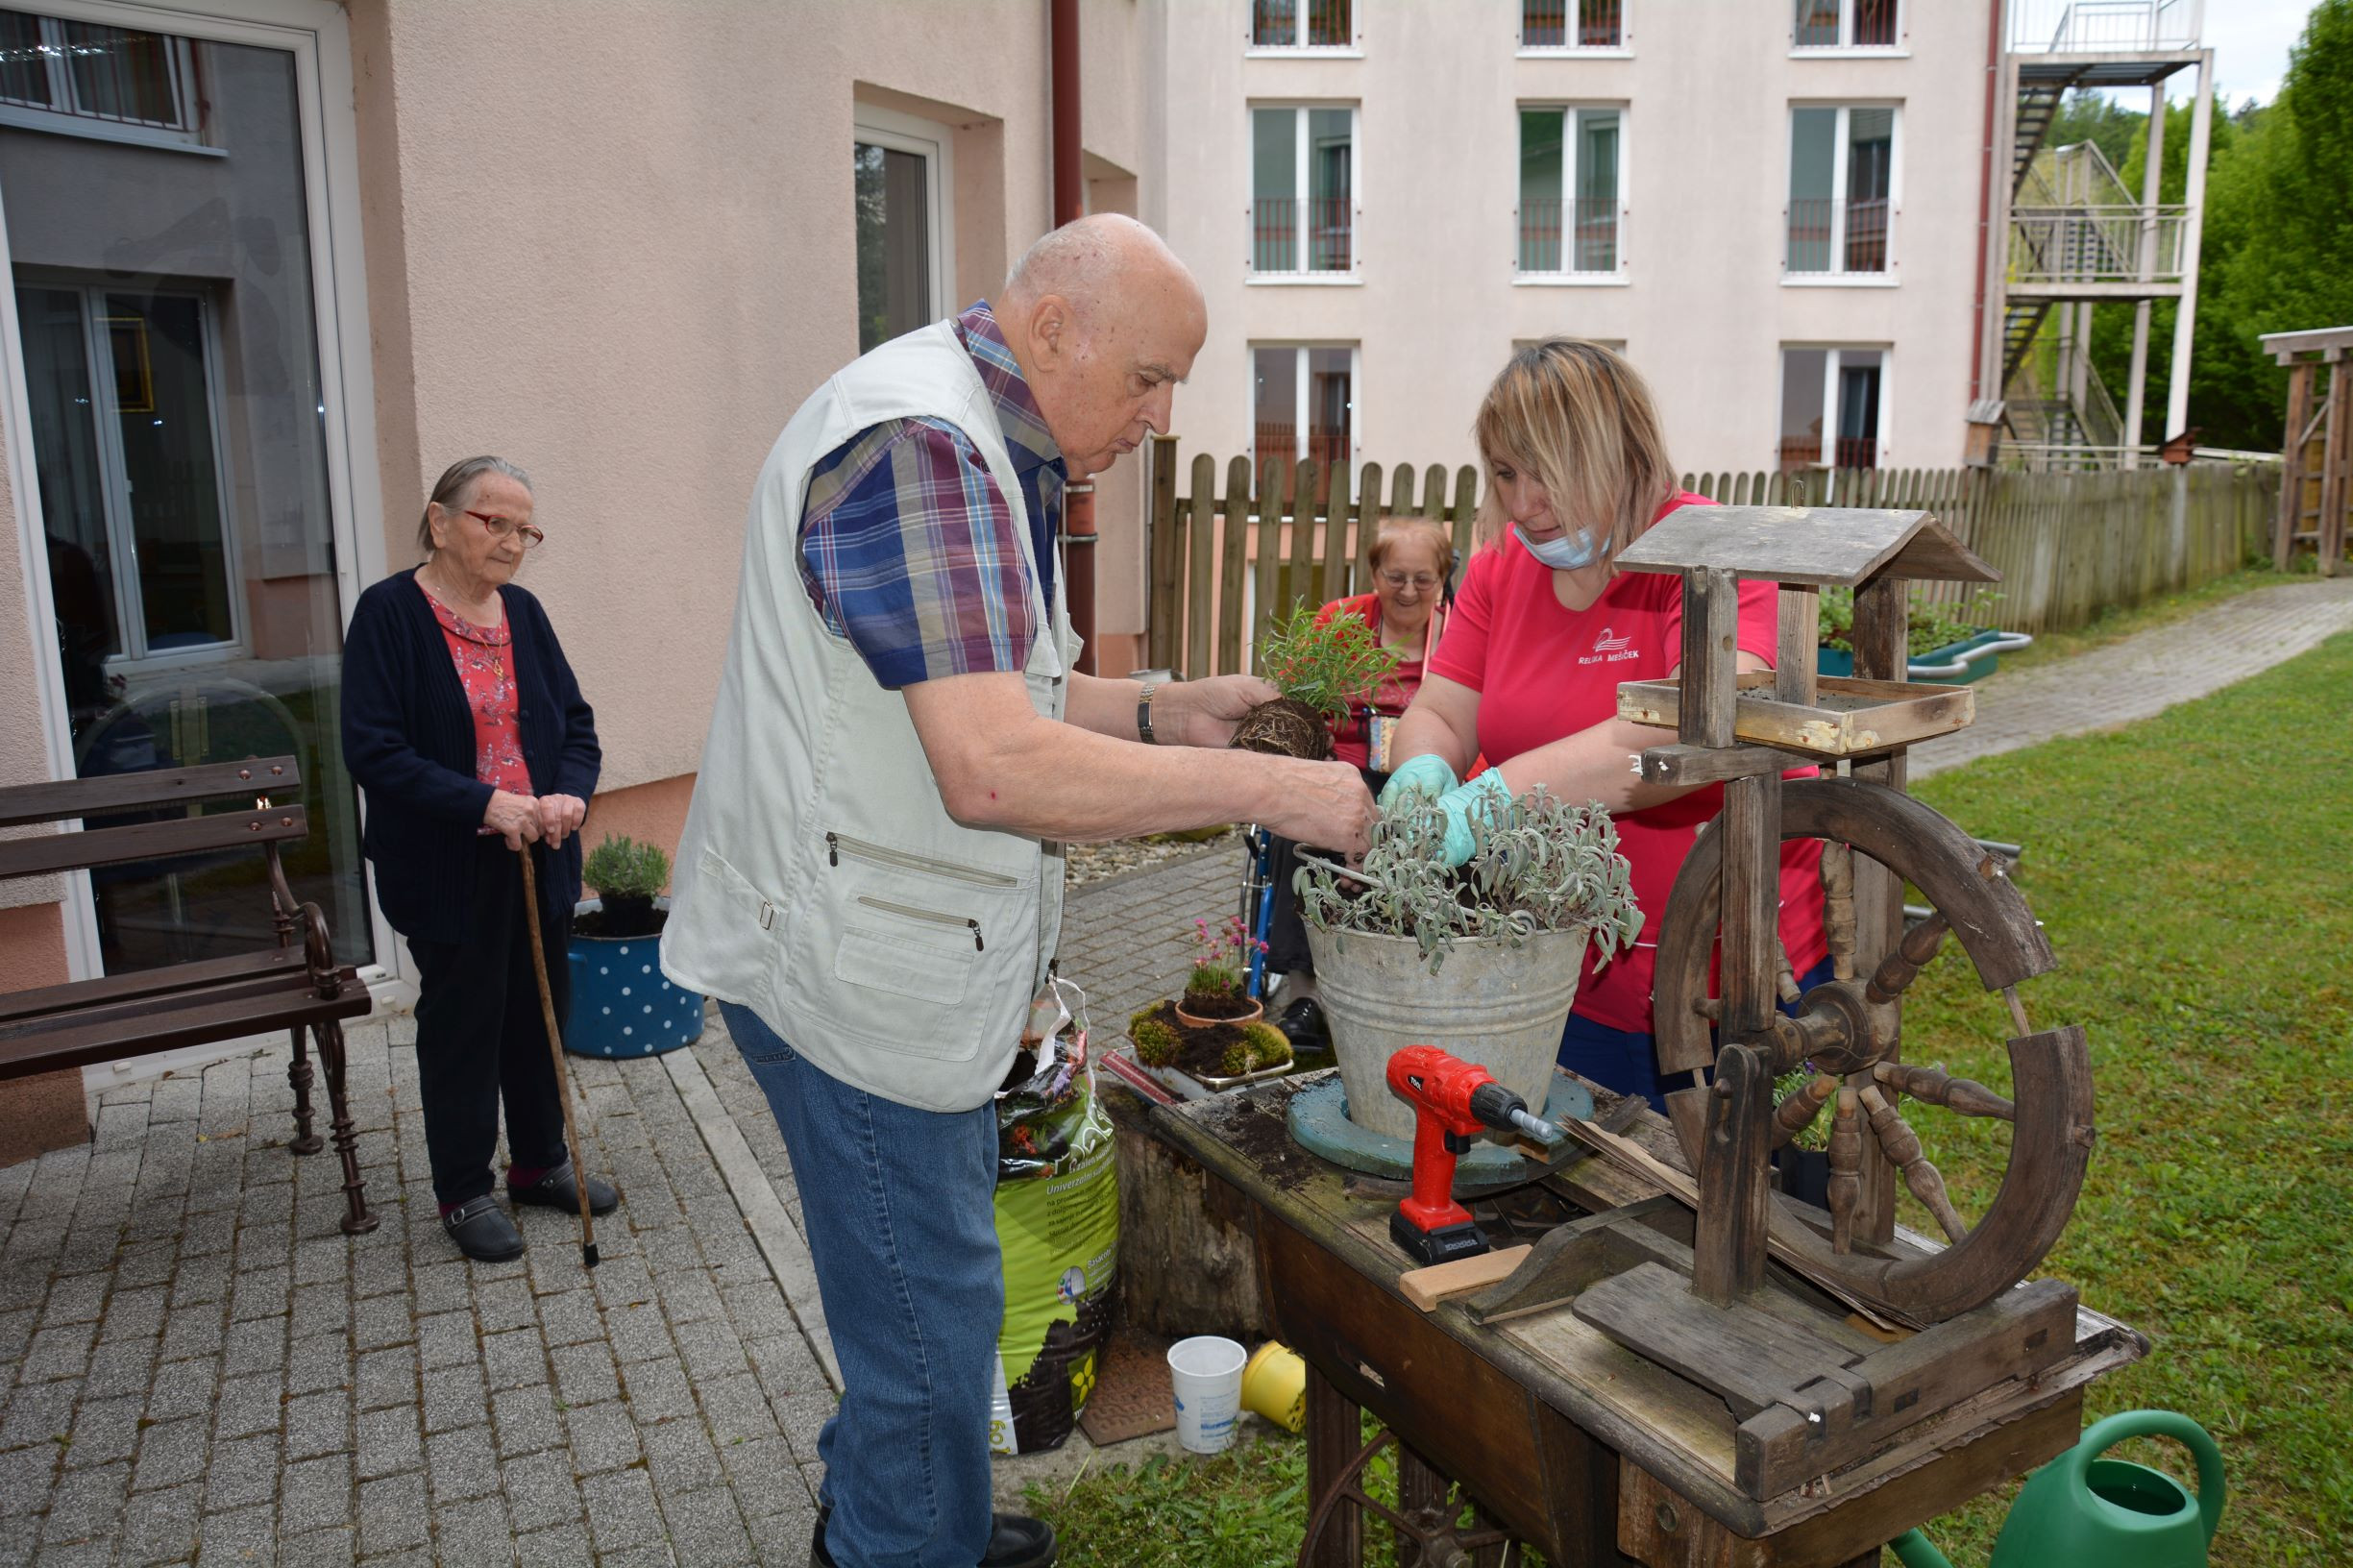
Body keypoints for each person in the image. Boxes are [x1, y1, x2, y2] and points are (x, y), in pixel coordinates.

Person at [661, 215, 1378, 1568]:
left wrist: (1174, 710)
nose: (1162, 416)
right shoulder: (923, 449)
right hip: (848, 979)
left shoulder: (980, 432)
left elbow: (1001, 682)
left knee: (915, 1299)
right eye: (1151, 377)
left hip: (855, 945)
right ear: (1057, 330)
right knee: (932, 1332)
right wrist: (1276, 791)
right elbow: (991, 766)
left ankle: (890, 1497)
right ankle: (895, 1535)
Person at [1382, 340, 1827, 1110]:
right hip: (1559, 964)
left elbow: (1679, 732)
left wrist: (1489, 801)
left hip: (1727, 977)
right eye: (1505, 473)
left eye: (1547, 471)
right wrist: (1423, 770)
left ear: (1621, 454)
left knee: (1747, 1205)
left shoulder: (1712, 555)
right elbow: (1443, 706)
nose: (1524, 503)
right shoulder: (1498, 568)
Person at [341, 455, 617, 1262]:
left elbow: (575, 724)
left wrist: (569, 793)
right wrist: (481, 802)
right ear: (439, 521)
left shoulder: (523, 614)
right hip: (447, 863)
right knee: (464, 1025)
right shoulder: (389, 614)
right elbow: (374, 749)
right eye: (491, 520)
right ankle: (463, 1192)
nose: (510, 541)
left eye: (523, 528)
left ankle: (537, 1165)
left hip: (540, 853)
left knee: (538, 1013)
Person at [1265, 514, 1457, 1052]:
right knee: (1293, 832)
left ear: (1441, 580)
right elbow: (1296, 703)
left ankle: (1403, 981)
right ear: (1374, 573)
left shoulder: (1459, 632)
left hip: (1421, 779)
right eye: (1396, 576)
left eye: (1424, 578)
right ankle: (1306, 993)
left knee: (1431, 837)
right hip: (1341, 769)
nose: (1409, 590)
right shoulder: (1340, 623)